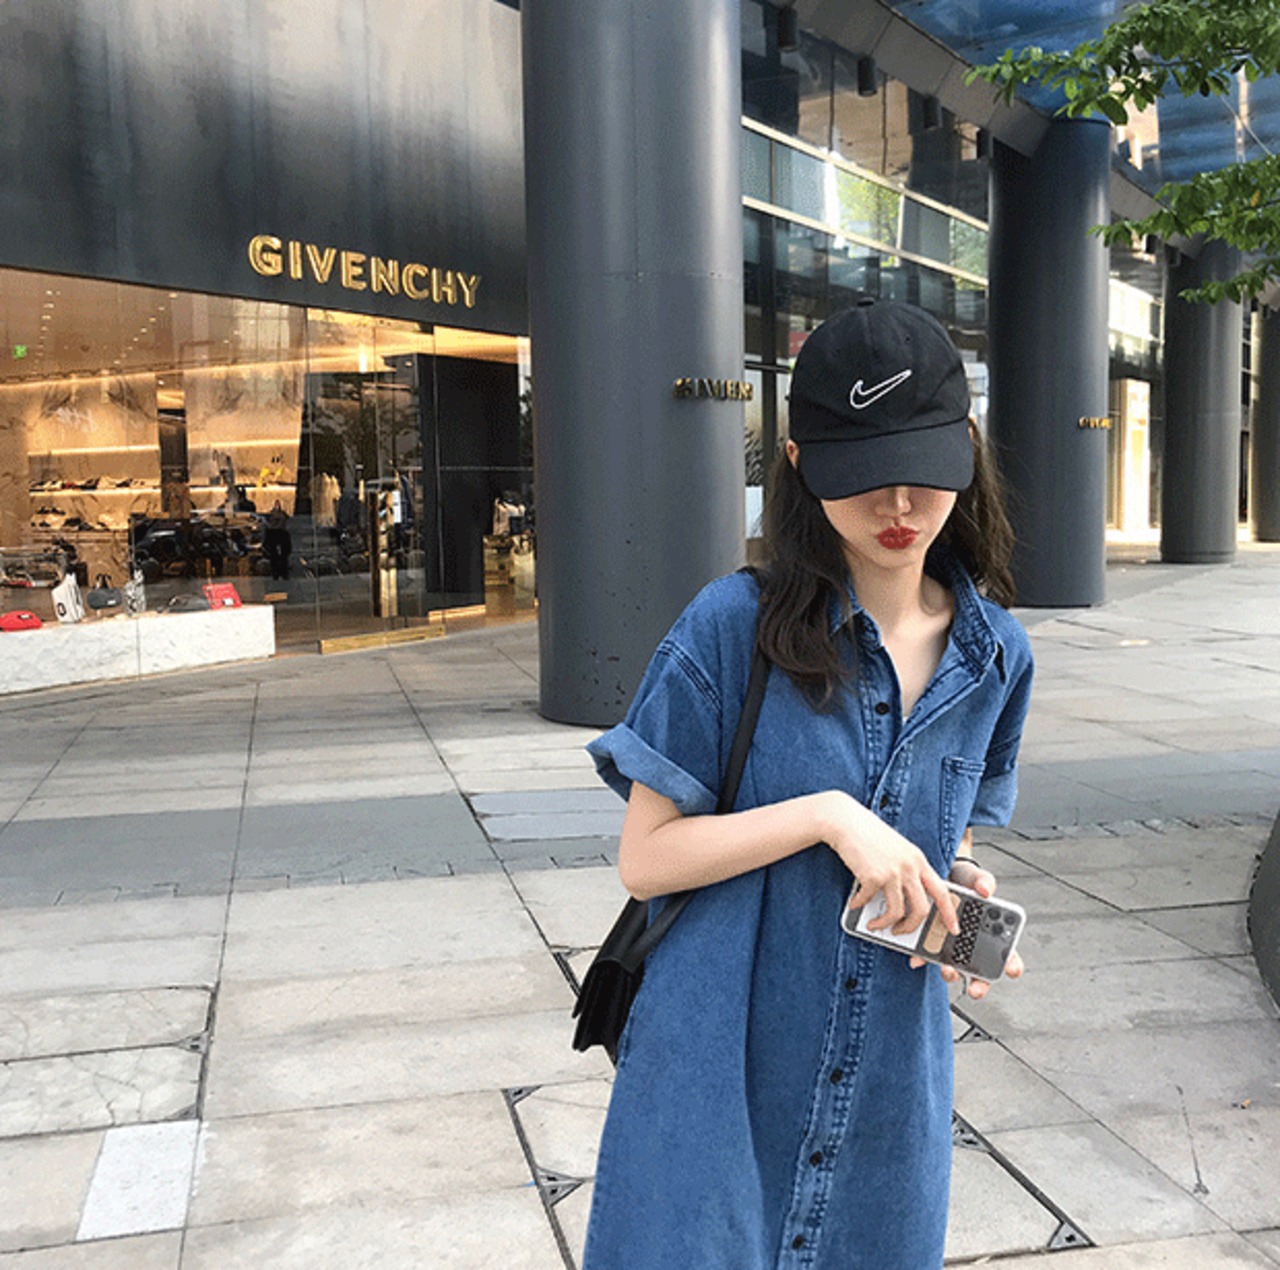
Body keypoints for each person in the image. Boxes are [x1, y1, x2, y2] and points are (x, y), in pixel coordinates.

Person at [582, 297, 1034, 1270]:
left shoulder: (995, 655)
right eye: (863, 476)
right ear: (798, 464)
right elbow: (645, 860)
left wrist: (951, 890)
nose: (898, 506)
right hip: (720, 1067)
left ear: (965, 448)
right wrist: (828, 816)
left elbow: (944, 833)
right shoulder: (729, 628)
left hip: (887, 1080)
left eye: (921, 469)